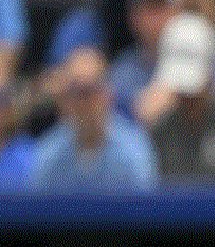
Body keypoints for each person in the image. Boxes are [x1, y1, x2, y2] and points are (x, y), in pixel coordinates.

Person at [33, 47, 159, 192]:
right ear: (64, 101)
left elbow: (143, 210)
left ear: (108, 94)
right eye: (77, 93)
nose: (85, 104)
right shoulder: (48, 154)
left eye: (92, 91)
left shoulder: (133, 151)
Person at [149, 13, 215, 181]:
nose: (188, 99)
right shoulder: (161, 130)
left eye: (193, 92)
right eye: (181, 90)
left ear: (211, 75)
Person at [109, 0, 183, 123]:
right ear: (133, 14)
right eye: (148, 7)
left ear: (178, 11)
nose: (154, 19)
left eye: (160, 6)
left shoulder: (198, 60)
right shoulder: (120, 76)